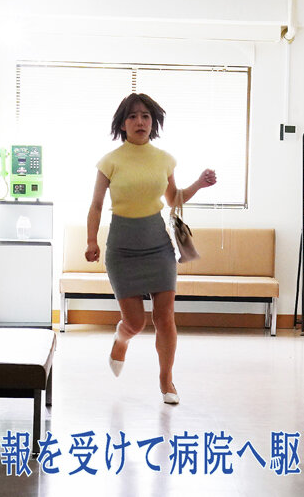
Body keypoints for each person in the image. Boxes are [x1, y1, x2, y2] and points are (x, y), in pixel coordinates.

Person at [85, 93, 216, 404]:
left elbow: (173, 199)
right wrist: (91, 240)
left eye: (145, 116)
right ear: (122, 124)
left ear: (153, 122)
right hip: (122, 249)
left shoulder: (164, 159)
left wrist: (198, 184)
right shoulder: (110, 161)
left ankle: (166, 380)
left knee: (165, 317)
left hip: (158, 246)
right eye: (132, 116)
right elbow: (96, 205)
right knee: (135, 323)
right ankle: (121, 339)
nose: (139, 121)